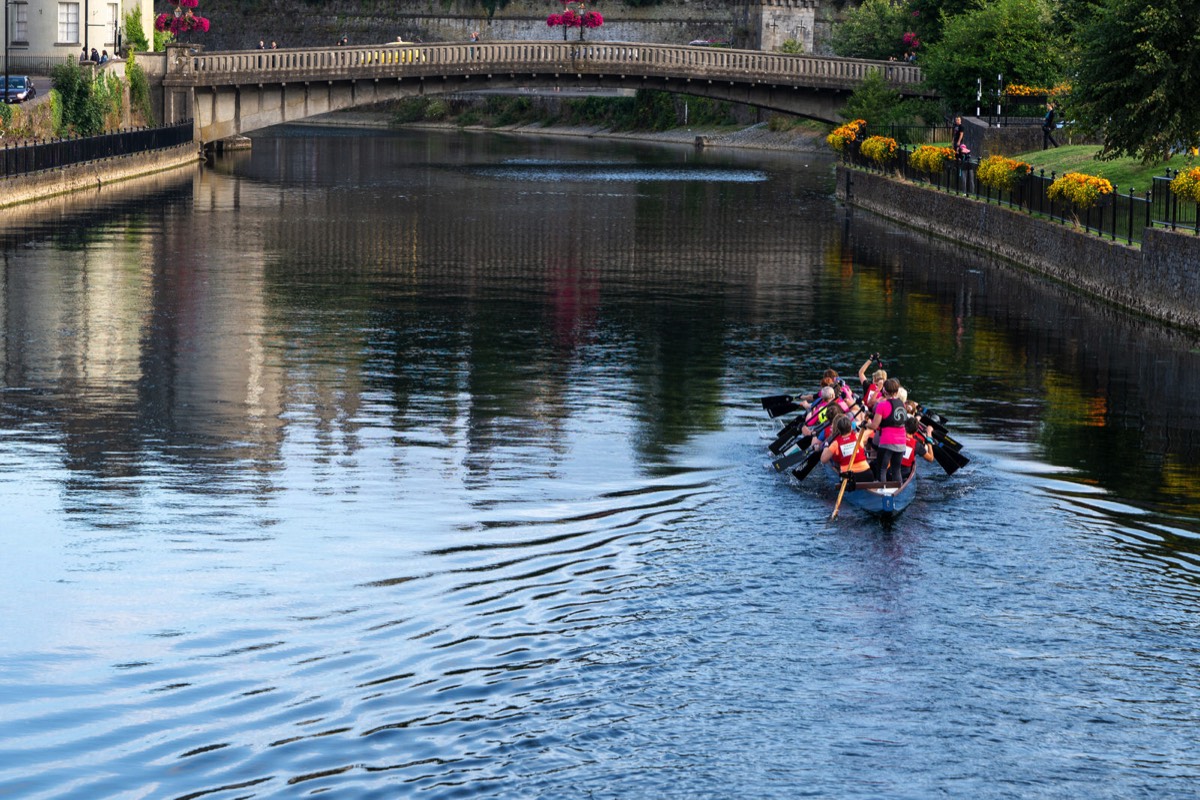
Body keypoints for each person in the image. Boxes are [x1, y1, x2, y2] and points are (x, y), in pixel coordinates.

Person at [865, 378, 907, 483]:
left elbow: (874, 426)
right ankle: (898, 493)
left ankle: (883, 492)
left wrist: (865, 424)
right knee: (896, 470)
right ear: (897, 391)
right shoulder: (903, 404)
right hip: (901, 442)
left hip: (887, 442)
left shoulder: (882, 405)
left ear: (884, 391)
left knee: (881, 469)